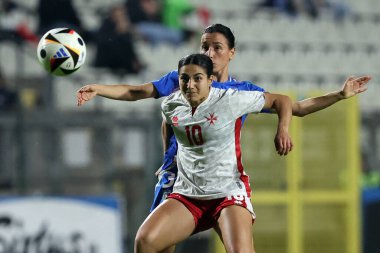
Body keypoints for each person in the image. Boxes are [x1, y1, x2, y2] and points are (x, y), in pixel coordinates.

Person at [76, 23, 371, 213]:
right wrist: (99, 89)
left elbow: (296, 107)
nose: (209, 52)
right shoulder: (186, 80)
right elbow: (144, 96)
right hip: (179, 179)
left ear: (232, 52)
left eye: (217, 47)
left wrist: (339, 95)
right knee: (153, 243)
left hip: (221, 182)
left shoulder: (241, 93)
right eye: (205, 46)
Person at [135, 53, 293, 253]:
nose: (190, 84)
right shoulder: (171, 104)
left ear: (210, 80)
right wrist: (169, 157)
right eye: (184, 78)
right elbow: (168, 124)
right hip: (189, 194)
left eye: (197, 78)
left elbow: (282, 100)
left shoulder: (230, 99)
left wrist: (283, 129)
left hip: (226, 194)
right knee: (145, 241)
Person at [93, 4, 144, 75]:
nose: (121, 17)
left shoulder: (126, 30)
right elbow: (105, 45)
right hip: (107, 65)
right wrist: (118, 32)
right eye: (119, 14)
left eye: (123, 14)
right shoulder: (105, 27)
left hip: (122, 67)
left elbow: (129, 48)